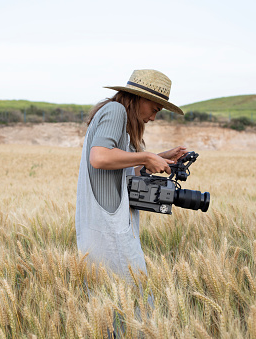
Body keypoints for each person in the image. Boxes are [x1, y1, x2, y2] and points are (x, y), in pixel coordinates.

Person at [75, 69, 188, 283]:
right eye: (154, 109)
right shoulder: (116, 110)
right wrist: (145, 157)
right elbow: (99, 157)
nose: (153, 118)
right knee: (136, 301)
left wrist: (159, 158)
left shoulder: (114, 113)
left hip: (104, 228)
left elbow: (120, 171)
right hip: (109, 230)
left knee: (114, 303)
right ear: (139, 98)